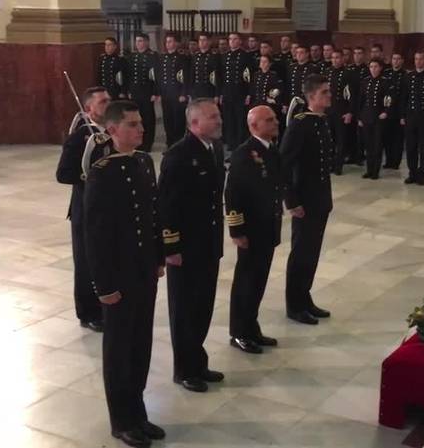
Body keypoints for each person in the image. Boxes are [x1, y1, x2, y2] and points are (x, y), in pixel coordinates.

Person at [84, 100, 166, 447]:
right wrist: (103, 286)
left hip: (144, 268)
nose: (141, 129)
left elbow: (153, 215)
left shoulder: (145, 162)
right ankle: (122, 420)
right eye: (132, 125)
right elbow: (95, 235)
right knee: (118, 350)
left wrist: (159, 256)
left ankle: (139, 412)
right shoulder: (102, 171)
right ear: (113, 130)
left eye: (141, 124)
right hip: (117, 275)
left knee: (140, 344)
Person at [159, 98, 226, 393]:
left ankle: (197, 361)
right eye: (212, 117)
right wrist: (170, 248)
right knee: (184, 310)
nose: (219, 121)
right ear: (194, 123)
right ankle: (184, 369)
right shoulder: (178, 155)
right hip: (185, 248)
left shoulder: (214, 148)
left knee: (203, 307)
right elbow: (166, 207)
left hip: (208, 243)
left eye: (218, 116)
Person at [226, 105, 282, 354]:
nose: (276, 122)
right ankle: (239, 331)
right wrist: (237, 232)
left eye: (274, 118)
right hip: (251, 232)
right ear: (254, 126)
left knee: (258, 281)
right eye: (269, 120)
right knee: (246, 282)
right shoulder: (244, 154)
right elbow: (233, 196)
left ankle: (251, 326)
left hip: (267, 228)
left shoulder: (270, 150)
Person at [57, 86, 113, 333]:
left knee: (104, 259)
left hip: (109, 208)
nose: (108, 105)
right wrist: (92, 178)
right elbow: (63, 174)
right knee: (85, 262)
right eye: (102, 102)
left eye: (109, 100)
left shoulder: (112, 132)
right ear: (89, 108)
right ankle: (87, 312)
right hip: (85, 207)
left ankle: (105, 303)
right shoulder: (80, 137)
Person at [281, 75, 334, 325]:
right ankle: (294, 304)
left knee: (311, 252)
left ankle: (305, 297)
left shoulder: (321, 122)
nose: (329, 95)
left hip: (320, 200)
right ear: (311, 97)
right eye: (324, 92)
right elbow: (284, 165)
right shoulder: (300, 124)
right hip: (303, 202)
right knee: (300, 253)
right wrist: (291, 202)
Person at [401, 51, 424, 185]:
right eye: (416, 59)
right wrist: (402, 115)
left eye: (421, 59)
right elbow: (404, 98)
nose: (418, 62)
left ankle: (422, 173)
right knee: (411, 147)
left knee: (423, 147)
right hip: (410, 116)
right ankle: (412, 172)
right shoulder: (408, 76)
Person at [359, 59, 394, 180]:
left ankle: (375, 171)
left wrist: (386, 112)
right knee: (368, 145)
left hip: (378, 117)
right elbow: (361, 100)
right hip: (366, 116)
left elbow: (390, 99)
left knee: (377, 145)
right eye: (371, 66)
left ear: (380, 68)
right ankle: (369, 169)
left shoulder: (385, 82)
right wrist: (360, 117)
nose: (373, 69)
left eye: (375, 67)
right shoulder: (365, 81)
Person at [157, 33, 190, 148]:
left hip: (178, 94)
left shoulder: (182, 58)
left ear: (176, 43)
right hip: (166, 94)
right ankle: (169, 144)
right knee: (167, 120)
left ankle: (179, 144)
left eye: (170, 41)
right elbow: (160, 77)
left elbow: (186, 77)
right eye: (167, 42)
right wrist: (159, 93)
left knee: (178, 120)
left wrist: (184, 93)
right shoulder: (163, 58)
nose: (168, 44)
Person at [219, 33, 250, 150]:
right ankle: (231, 145)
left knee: (239, 120)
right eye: (230, 39)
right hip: (227, 92)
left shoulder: (245, 56)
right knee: (229, 120)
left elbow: (249, 76)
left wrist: (248, 93)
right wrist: (220, 93)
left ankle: (240, 146)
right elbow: (221, 76)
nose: (232, 41)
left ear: (240, 41)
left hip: (240, 91)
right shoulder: (224, 56)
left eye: (235, 39)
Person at [127, 34, 158, 152]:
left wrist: (155, 92)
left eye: (140, 41)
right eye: (137, 41)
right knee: (136, 117)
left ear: (146, 42)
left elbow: (155, 76)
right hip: (135, 91)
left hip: (147, 92)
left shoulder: (152, 56)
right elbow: (129, 75)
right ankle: (137, 141)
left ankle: (148, 142)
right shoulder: (132, 56)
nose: (138, 43)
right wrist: (129, 90)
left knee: (148, 118)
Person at [326, 50, 354, 175]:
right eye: (333, 58)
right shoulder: (327, 72)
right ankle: (330, 164)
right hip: (328, 111)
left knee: (341, 140)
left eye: (337, 57)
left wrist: (350, 112)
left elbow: (353, 95)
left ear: (342, 59)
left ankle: (338, 166)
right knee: (329, 139)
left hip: (342, 110)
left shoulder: (348, 74)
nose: (335, 60)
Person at [248, 54, 284, 133]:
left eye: (265, 62)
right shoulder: (256, 75)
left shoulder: (273, 76)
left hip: (267, 104)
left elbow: (276, 91)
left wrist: (271, 99)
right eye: (261, 61)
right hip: (257, 103)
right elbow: (253, 89)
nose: (262, 63)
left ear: (269, 64)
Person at [189, 33, 219, 101]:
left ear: (209, 42)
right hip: (196, 90)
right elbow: (192, 76)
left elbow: (217, 76)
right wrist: (190, 92)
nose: (201, 42)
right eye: (200, 40)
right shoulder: (195, 57)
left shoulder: (214, 56)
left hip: (209, 90)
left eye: (204, 40)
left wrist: (217, 94)